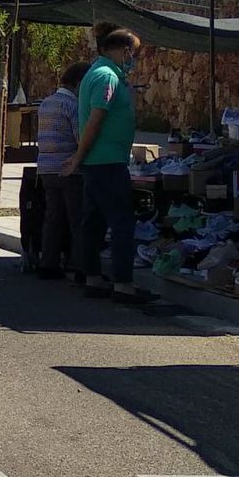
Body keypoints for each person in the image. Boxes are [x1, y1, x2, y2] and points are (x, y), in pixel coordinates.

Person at [63, 28, 156, 304]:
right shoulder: (107, 76)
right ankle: (123, 284)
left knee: (94, 222)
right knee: (122, 222)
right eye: (133, 53)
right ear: (125, 50)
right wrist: (78, 156)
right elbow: (95, 119)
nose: (133, 59)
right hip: (107, 161)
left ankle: (93, 277)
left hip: (99, 160)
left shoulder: (98, 73)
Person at [36, 61, 90, 282]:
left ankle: (48, 263)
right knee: (77, 219)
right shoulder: (72, 105)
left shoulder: (46, 103)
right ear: (79, 83)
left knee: (53, 217)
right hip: (69, 168)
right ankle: (79, 266)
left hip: (46, 167)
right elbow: (80, 137)